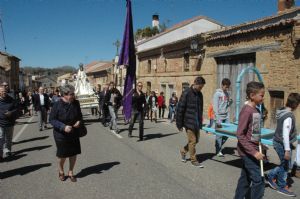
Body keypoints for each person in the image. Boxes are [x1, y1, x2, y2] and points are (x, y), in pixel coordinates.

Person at [234, 81, 265, 199]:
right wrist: (254, 152)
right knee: (259, 180)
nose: (263, 97)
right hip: (248, 153)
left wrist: (259, 144)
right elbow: (240, 134)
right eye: (261, 95)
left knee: (245, 179)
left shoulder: (256, 110)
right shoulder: (247, 111)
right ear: (252, 95)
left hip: (254, 149)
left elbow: (254, 132)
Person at [266, 93, 300, 197]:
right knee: (286, 166)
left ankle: (270, 176)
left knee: (285, 164)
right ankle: (282, 186)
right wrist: (287, 150)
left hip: (279, 141)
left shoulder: (283, 112)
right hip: (281, 143)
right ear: (295, 104)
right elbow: (285, 134)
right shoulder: (288, 116)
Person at [49, 84, 82, 182]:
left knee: (73, 153)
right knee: (62, 155)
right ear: (64, 94)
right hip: (60, 134)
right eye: (71, 94)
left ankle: (71, 172)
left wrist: (79, 121)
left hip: (73, 132)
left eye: (73, 93)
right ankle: (61, 170)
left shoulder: (76, 103)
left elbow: (80, 115)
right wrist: (63, 127)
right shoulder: (57, 104)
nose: (73, 96)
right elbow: (51, 119)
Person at [176, 76, 206, 168]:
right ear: (195, 83)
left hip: (196, 121)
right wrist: (179, 124)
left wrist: (200, 120)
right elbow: (180, 109)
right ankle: (194, 160)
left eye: (202, 87)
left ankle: (184, 151)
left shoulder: (200, 94)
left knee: (196, 140)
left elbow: (200, 109)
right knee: (192, 141)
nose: (201, 89)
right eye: (200, 87)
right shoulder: (186, 93)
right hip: (188, 121)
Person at [213, 78, 233, 157]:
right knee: (219, 135)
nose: (227, 88)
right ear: (222, 85)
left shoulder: (227, 94)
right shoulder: (217, 94)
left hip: (226, 116)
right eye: (226, 87)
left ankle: (218, 145)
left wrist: (230, 102)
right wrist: (217, 118)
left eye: (228, 87)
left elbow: (227, 105)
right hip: (219, 117)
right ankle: (218, 150)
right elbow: (215, 106)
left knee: (228, 133)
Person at [0, 85, 19, 159]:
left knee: (8, 138)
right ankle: (0, 154)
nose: (3, 92)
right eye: (2, 91)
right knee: (1, 138)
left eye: (4, 91)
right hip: (0, 123)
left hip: (9, 122)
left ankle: (8, 151)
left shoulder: (11, 100)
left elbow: (17, 109)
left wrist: (11, 113)